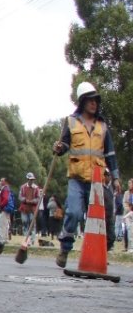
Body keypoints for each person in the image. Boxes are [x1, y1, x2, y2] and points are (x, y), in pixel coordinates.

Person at [52, 82, 119, 267]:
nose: (94, 104)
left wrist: (116, 177)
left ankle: (102, 253)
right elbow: (64, 145)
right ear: (82, 102)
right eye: (90, 100)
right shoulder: (71, 121)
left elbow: (110, 153)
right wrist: (58, 148)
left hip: (97, 179)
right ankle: (65, 249)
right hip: (76, 178)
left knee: (104, 214)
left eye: (96, 100)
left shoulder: (103, 125)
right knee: (73, 213)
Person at [18, 172, 41, 237]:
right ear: (27, 179)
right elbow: (20, 197)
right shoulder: (23, 187)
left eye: (32, 179)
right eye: (30, 179)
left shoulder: (36, 188)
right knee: (25, 222)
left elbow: (38, 198)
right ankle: (26, 237)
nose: (31, 181)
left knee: (32, 223)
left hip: (32, 209)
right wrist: (25, 200)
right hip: (24, 208)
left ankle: (32, 239)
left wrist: (32, 201)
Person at [0, 177, 13, 241]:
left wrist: (0, 206)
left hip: (5, 209)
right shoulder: (8, 189)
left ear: (5, 182)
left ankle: (2, 239)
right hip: (8, 208)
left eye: (2, 181)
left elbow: (5, 199)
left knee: (1, 225)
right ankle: (5, 238)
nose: (0, 182)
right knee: (6, 224)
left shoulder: (5, 189)